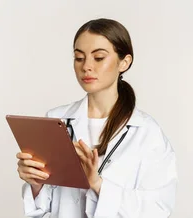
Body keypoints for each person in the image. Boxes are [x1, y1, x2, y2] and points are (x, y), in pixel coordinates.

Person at [15, 18, 178, 218]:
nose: (87, 67)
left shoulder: (146, 132)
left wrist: (97, 184)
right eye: (79, 58)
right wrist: (36, 183)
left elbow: (158, 208)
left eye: (99, 58)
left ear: (124, 62)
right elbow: (43, 210)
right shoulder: (56, 120)